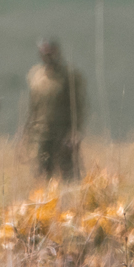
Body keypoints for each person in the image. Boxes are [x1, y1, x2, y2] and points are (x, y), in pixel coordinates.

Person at [21, 38, 86, 182]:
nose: (48, 56)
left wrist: (75, 132)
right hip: (41, 134)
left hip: (62, 133)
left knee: (69, 174)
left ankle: (73, 202)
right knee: (42, 174)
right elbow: (32, 107)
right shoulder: (35, 75)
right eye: (44, 53)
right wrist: (26, 133)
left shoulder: (69, 76)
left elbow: (79, 106)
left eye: (50, 53)